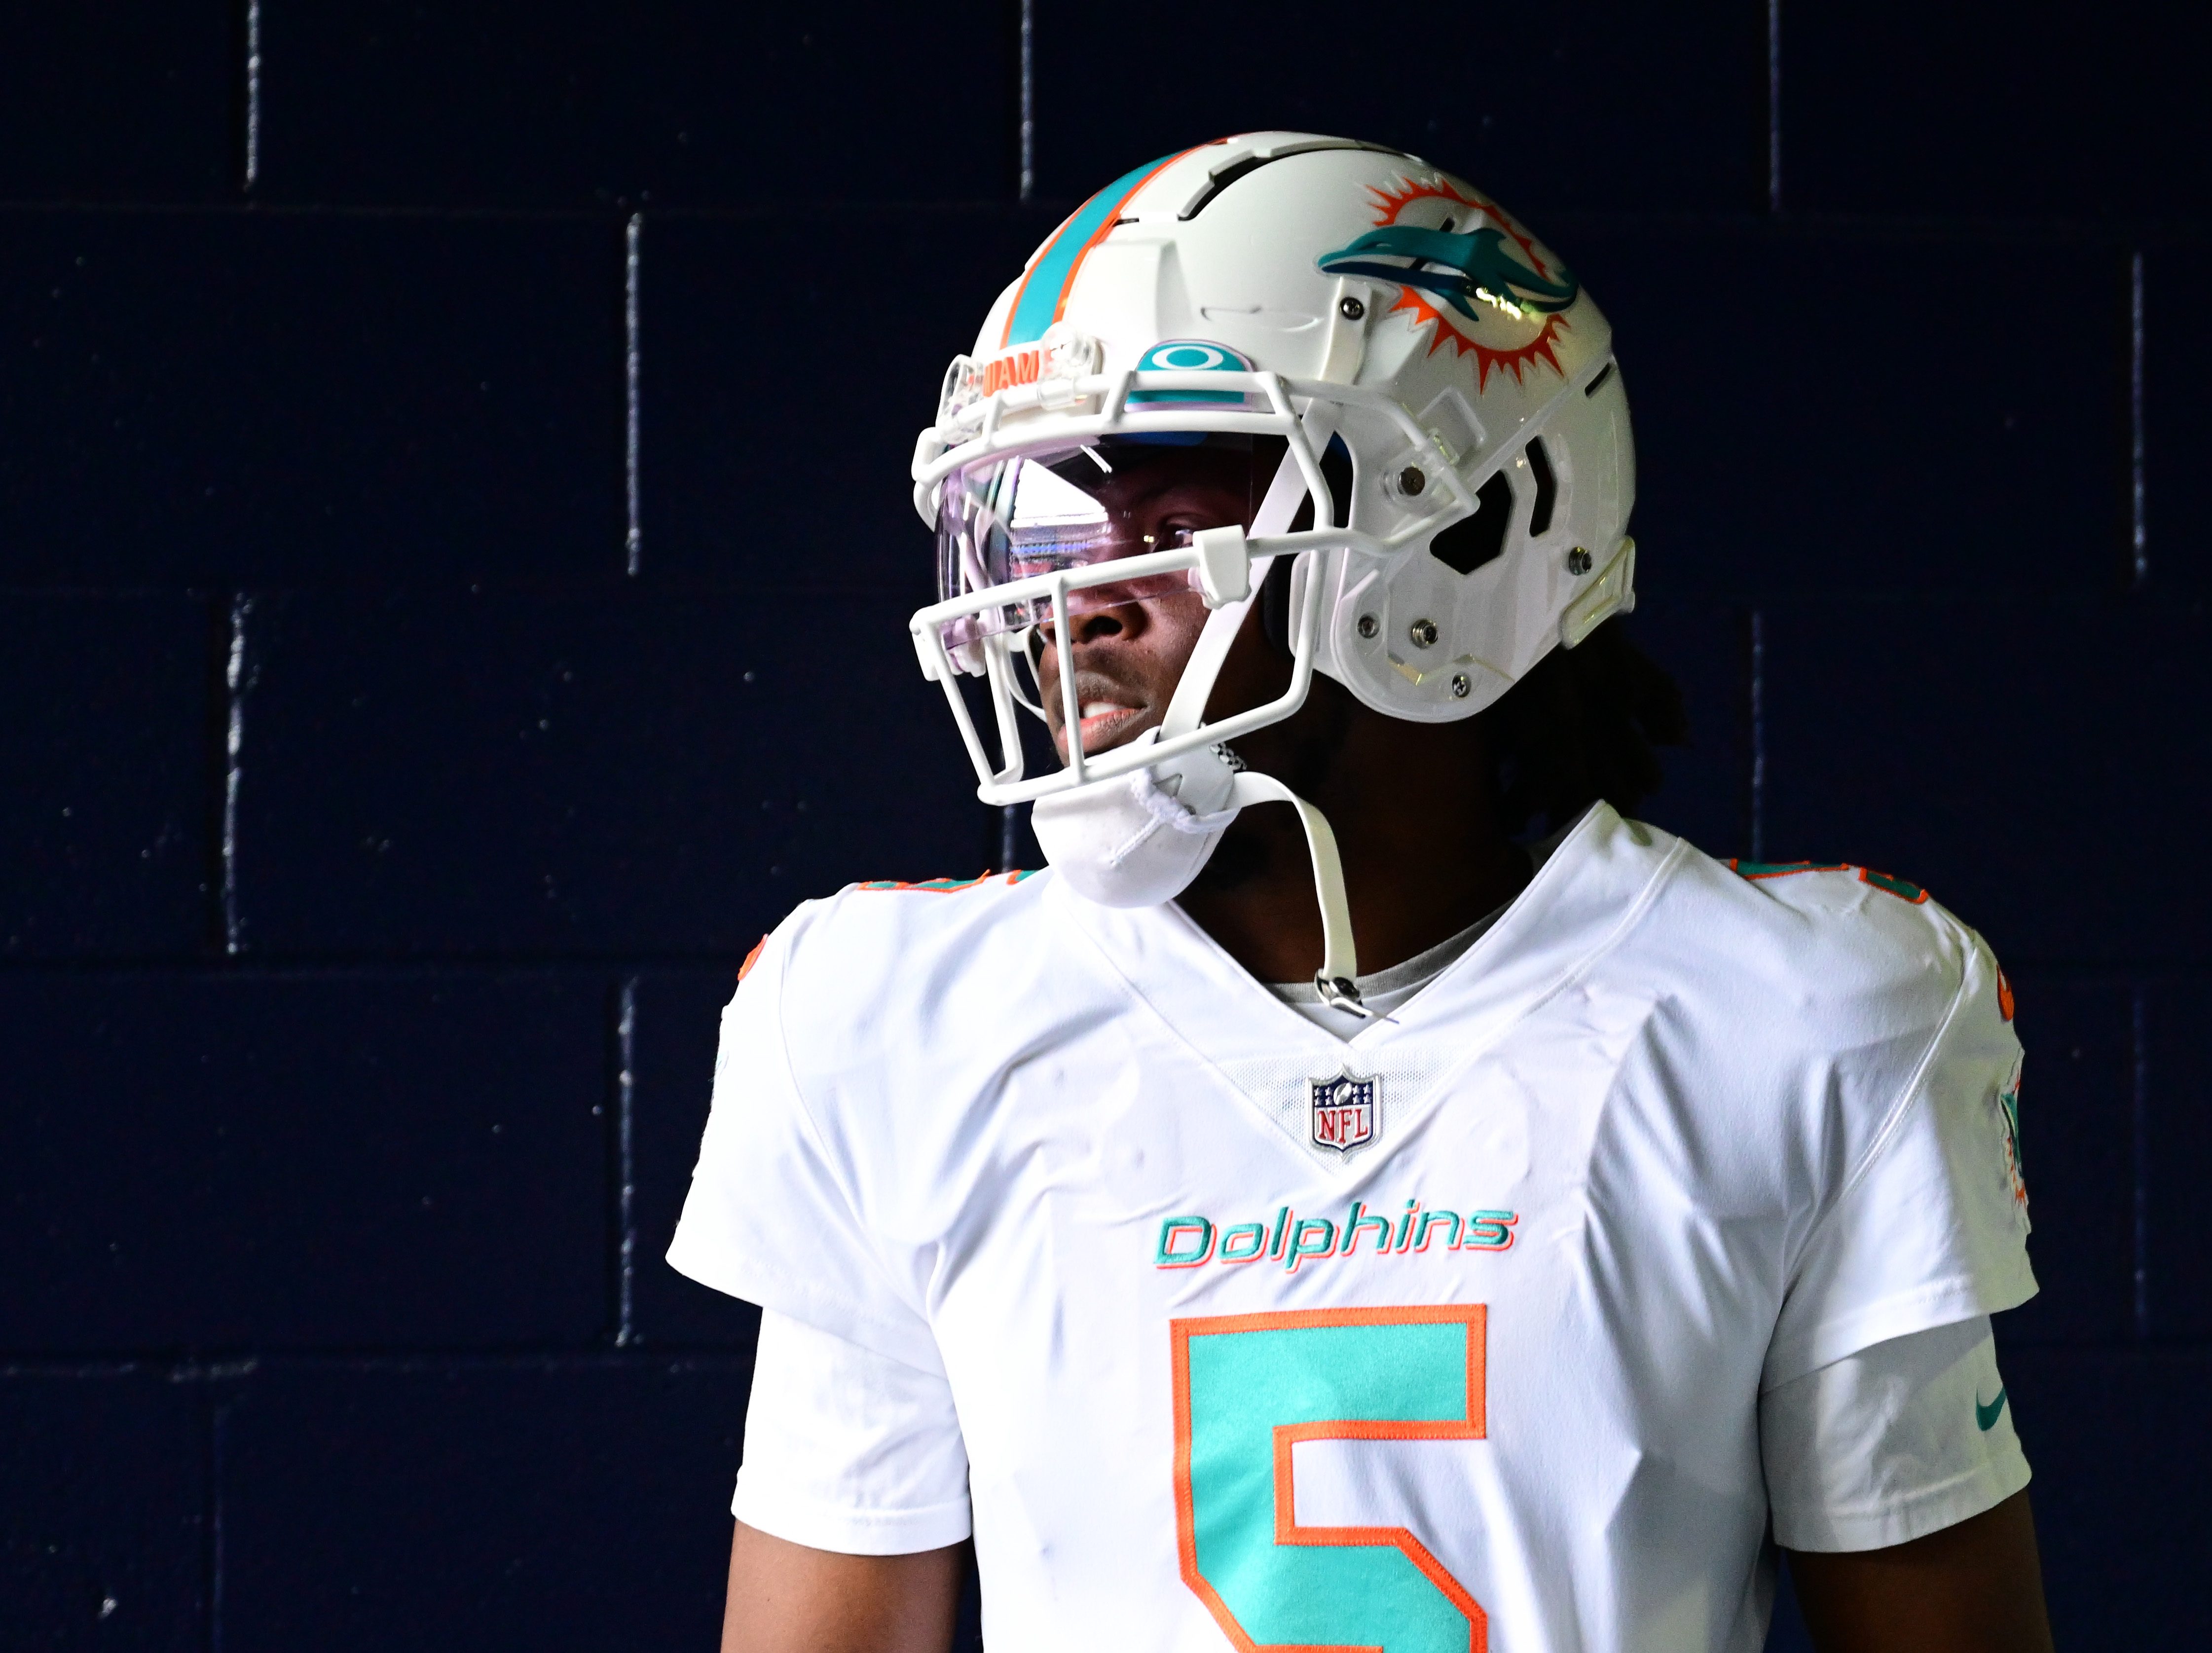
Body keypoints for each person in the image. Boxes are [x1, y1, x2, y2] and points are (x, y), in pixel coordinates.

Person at [671, 132, 2056, 1653]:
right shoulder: (885, 1030)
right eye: (1055, 525)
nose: (1077, 601)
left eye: (1175, 518)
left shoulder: (1804, 1017)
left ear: (1471, 523)